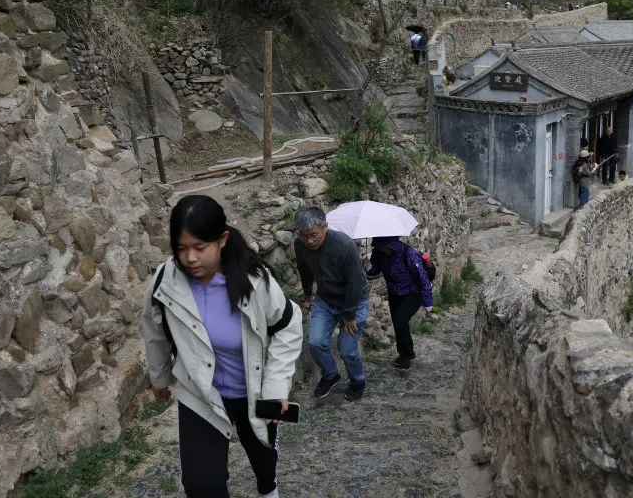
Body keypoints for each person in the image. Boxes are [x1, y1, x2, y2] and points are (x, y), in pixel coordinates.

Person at [141, 195, 303, 498]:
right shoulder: (165, 282)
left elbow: (288, 325)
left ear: (222, 240)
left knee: (263, 456)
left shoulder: (254, 280)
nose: (190, 258)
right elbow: (154, 330)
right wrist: (160, 377)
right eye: (181, 248)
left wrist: (277, 386)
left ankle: (268, 488)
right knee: (202, 486)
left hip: (254, 389)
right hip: (201, 392)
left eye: (200, 248)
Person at [294, 207, 370, 401]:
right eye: (304, 236)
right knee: (315, 342)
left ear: (325, 227)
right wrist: (308, 291)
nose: (309, 241)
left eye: (313, 235)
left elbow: (354, 282)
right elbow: (304, 268)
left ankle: (357, 381)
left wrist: (349, 314)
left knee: (347, 350)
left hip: (353, 301)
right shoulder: (300, 244)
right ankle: (330, 374)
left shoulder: (344, 245)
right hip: (326, 299)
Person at [362, 237, 433, 370]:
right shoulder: (379, 253)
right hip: (394, 294)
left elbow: (423, 278)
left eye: (383, 247)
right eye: (378, 247)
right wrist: (368, 266)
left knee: (400, 320)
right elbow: (374, 271)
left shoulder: (409, 254)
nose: (381, 250)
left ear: (391, 244)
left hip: (413, 293)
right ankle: (406, 353)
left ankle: (406, 356)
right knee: (398, 323)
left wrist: (428, 302)